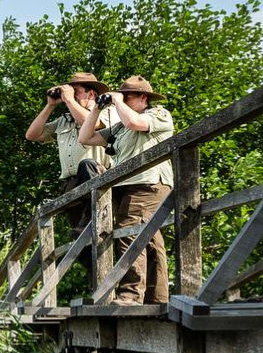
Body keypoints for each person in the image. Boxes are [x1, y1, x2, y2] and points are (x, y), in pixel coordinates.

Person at [79, 75, 175, 304]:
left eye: (128, 96)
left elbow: (136, 124)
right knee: (151, 241)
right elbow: (85, 137)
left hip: (148, 184)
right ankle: (157, 298)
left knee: (128, 232)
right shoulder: (120, 127)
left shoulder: (158, 114)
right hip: (126, 188)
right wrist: (97, 109)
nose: (121, 100)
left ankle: (130, 295)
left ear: (144, 98)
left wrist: (118, 101)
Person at [23, 72, 113, 282]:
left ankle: (109, 285)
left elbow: (94, 124)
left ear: (91, 93)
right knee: (81, 242)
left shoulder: (105, 113)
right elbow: (32, 135)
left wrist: (70, 100)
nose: (69, 96)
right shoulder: (63, 121)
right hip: (72, 187)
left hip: (96, 181)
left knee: (99, 237)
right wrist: (51, 105)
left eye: (76, 91)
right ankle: (97, 286)